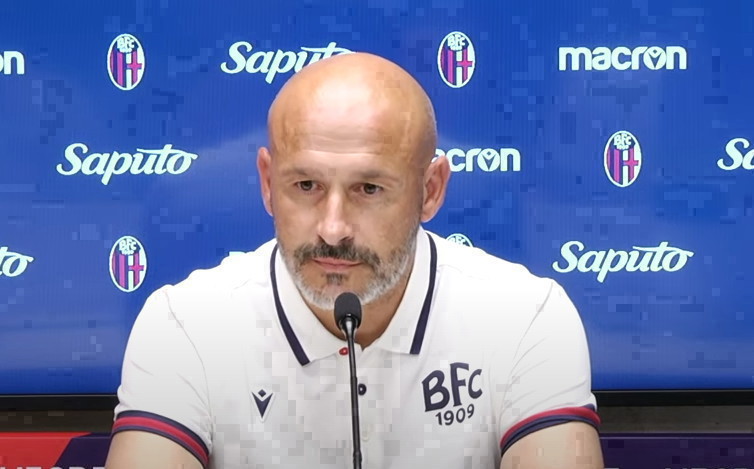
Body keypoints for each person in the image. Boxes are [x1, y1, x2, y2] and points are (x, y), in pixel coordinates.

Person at [105, 52, 604, 469]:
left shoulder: (526, 317)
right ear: (267, 183)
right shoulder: (185, 325)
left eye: (369, 189)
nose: (333, 228)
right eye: (306, 185)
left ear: (431, 191)